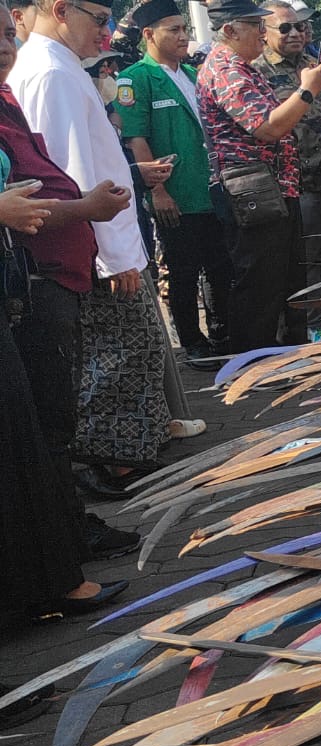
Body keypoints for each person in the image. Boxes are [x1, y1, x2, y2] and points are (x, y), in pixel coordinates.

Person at [10, 0, 186, 489]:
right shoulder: (51, 73)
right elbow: (69, 176)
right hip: (94, 244)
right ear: (61, 10)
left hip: (102, 237)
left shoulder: (63, 67)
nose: (108, 34)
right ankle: (115, 462)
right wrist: (110, 256)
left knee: (135, 352)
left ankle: (130, 454)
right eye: (100, 19)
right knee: (120, 356)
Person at [0, 14, 141, 559]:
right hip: (35, 284)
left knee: (54, 415)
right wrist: (88, 210)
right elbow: (24, 203)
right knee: (47, 421)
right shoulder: (48, 76)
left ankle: (66, 531)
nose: (6, 47)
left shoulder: (10, 95)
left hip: (56, 275)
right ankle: (62, 540)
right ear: (61, 9)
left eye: (8, 35)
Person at [198, 0, 321, 352]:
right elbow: (267, 128)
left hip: (273, 187)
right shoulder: (226, 70)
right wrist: (308, 90)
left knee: (283, 276)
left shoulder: (244, 67)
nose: (261, 32)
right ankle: (254, 362)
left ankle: (284, 354)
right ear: (228, 30)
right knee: (260, 281)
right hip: (252, 191)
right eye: (254, 25)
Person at [117, 0, 236, 365]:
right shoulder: (136, 78)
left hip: (209, 189)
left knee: (219, 267)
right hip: (175, 193)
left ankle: (221, 335)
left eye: (185, 28)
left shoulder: (191, 73)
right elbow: (136, 138)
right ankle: (191, 341)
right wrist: (157, 190)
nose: (183, 36)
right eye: (174, 30)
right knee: (183, 270)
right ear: (149, 35)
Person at [255, 0, 321, 340]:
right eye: (285, 28)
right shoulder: (258, 71)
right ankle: (305, 324)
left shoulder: (315, 65)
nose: (296, 33)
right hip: (295, 182)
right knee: (303, 258)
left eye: (300, 27)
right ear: (264, 33)